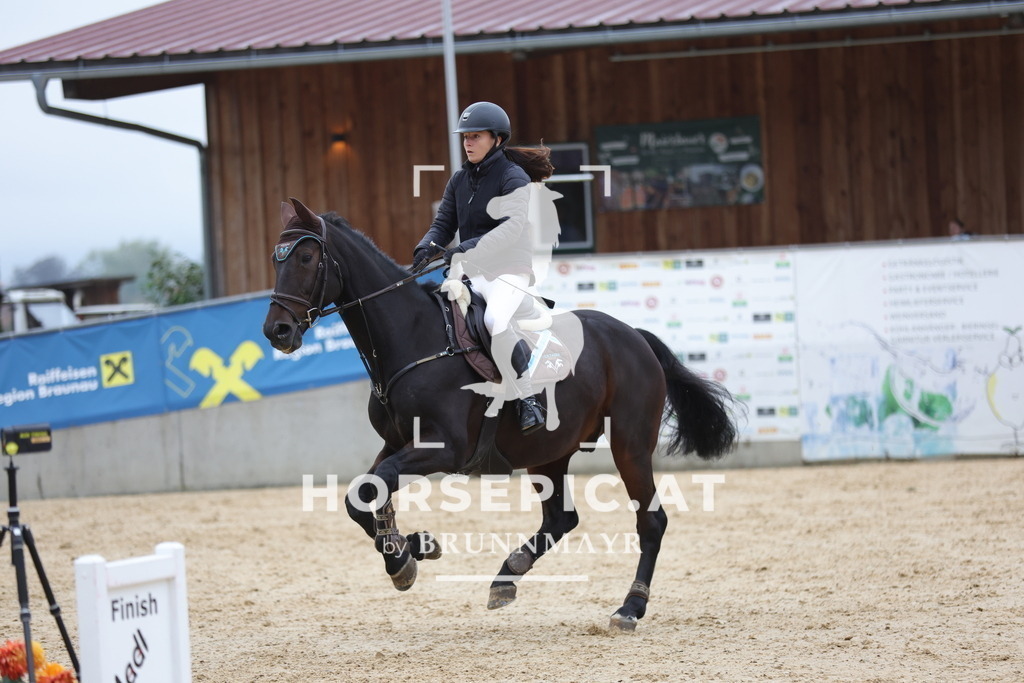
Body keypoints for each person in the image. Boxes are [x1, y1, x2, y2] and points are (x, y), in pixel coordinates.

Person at [411, 102, 557, 434]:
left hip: (509, 271)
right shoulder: (459, 180)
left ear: (497, 139)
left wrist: (464, 249)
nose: (468, 143)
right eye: (465, 137)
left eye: (475, 136)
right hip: (472, 273)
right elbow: (442, 225)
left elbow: (511, 227)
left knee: (493, 320)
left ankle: (528, 398)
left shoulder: (513, 176)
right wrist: (424, 249)